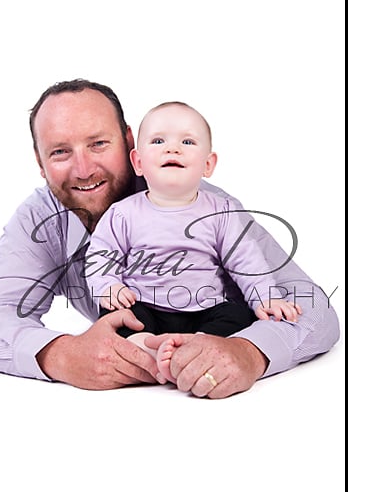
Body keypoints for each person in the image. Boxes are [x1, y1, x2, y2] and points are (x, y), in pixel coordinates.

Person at [0, 79, 339, 399]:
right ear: (39, 161)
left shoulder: (202, 204)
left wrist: (248, 352)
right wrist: (62, 355)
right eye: (60, 152)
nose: (83, 169)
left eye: (98, 144)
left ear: (130, 144)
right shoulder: (40, 218)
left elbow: (314, 308)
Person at [86, 101, 303, 385]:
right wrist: (107, 286)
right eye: (158, 141)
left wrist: (265, 296)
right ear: (138, 162)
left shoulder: (220, 211)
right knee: (118, 313)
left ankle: (196, 347)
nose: (172, 149)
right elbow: (101, 256)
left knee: (239, 313)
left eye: (187, 142)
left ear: (208, 164)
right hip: (145, 305)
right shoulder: (123, 213)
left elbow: (246, 259)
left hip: (204, 308)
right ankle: (146, 347)